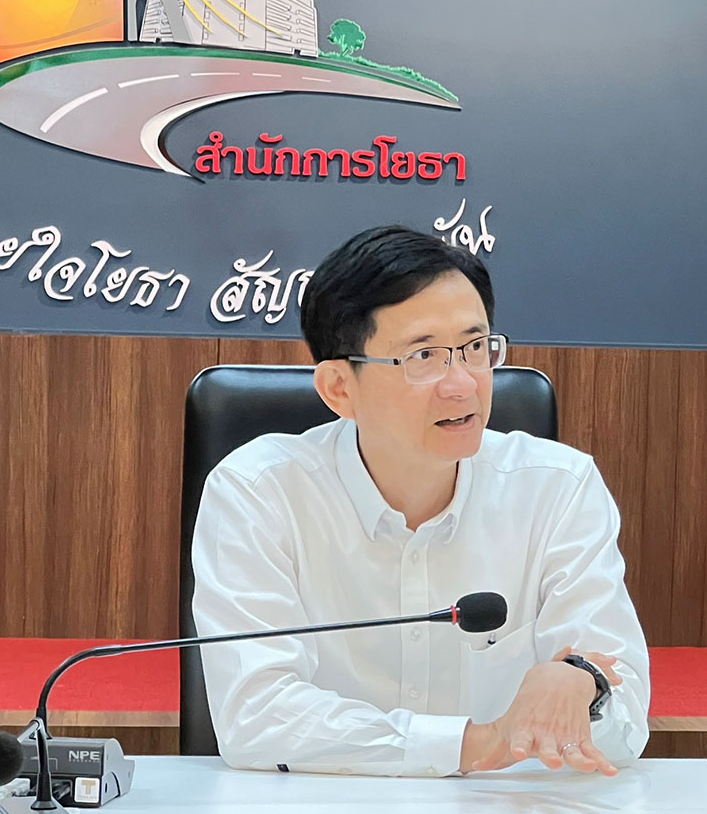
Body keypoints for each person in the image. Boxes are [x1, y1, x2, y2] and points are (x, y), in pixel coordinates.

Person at [192, 225, 650, 777]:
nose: (463, 384)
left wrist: (583, 686)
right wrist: (476, 744)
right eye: (424, 356)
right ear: (339, 388)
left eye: (475, 348)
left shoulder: (558, 488)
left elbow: (625, 725)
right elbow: (255, 715)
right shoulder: (259, 493)